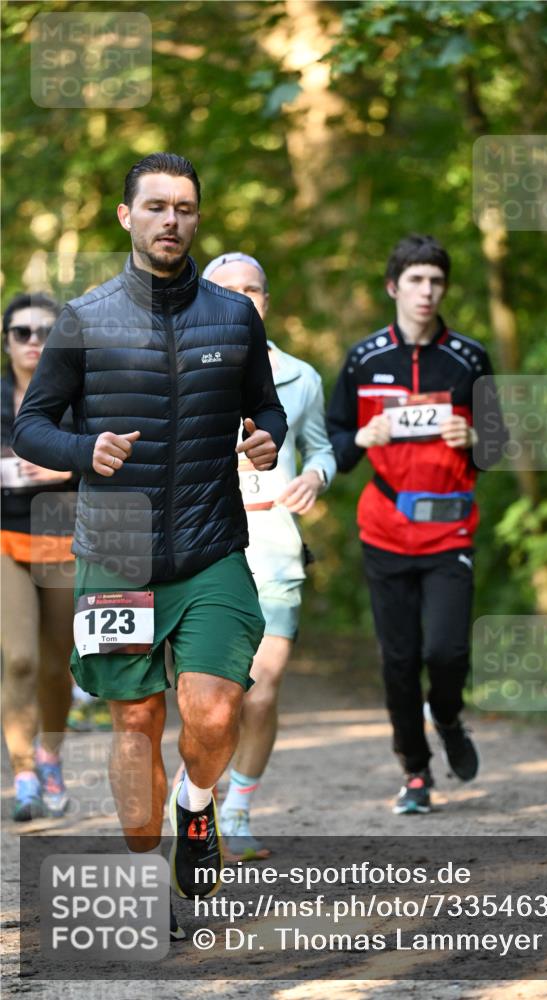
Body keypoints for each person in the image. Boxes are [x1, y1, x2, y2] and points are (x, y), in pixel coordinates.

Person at [12, 154, 287, 934]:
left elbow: (266, 409)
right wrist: (82, 449)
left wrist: (266, 439)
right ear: (127, 217)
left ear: (198, 219)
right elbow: (35, 422)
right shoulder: (85, 318)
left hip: (209, 542)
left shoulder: (234, 319)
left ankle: (196, 805)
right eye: (158, 207)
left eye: (186, 209)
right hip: (118, 550)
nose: (173, 221)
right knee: (135, 723)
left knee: (213, 707)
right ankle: (149, 873)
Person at [326, 234, 506, 815]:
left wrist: (476, 437)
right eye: (415, 281)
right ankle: (416, 772)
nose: (426, 292)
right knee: (399, 660)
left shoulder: (470, 357)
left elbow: (498, 446)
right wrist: (360, 435)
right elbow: (333, 441)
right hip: (384, 527)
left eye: (436, 281)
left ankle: (448, 717)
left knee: (447, 651)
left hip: (449, 527)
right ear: (393, 287)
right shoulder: (364, 359)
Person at [202, 251, 336, 860]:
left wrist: (316, 477)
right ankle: (196, 798)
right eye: (227, 289)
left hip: (276, 545)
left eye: (253, 288)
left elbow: (322, 448)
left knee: (262, 688)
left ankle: (238, 809)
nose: (242, 298)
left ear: (266, 300)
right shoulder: (180, 368)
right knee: (214, 696)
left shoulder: (301, 376)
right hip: (204, 547)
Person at [1, 292, 76, 821]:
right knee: (20, 660)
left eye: (45, 333)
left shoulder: (80, 398)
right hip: (5, 538)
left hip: (64, 537)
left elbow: (125, 456)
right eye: (22, 333)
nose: (34, 342)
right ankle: (23, 771)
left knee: (57, 667)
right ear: (6, 341)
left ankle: (50, 755)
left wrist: (66, 465)